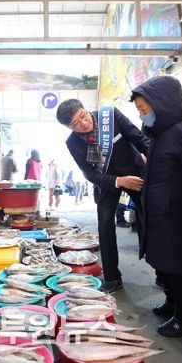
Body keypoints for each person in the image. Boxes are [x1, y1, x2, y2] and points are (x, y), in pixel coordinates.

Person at [131, 75, 182, 337]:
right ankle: (172, 303)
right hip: (160, 213)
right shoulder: (160, 134)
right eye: (139, 110)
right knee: (163, 263)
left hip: (178, 215)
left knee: (177, 267)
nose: (142, 115)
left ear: (161, 103)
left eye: (144, 109)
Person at [56, 99, 150, 292]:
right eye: (75, 124)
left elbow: (140, 139)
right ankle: (112, 277)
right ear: (69, 128)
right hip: (107, 183)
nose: (83, 124)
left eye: (82, 116)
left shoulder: (110, 116)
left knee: (151, 220)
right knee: (105, 226)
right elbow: (89, 174)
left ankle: (163, 273)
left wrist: (158, 160)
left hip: (134, 174)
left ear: (85, 108)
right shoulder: (72, 143)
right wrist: (118, 181)